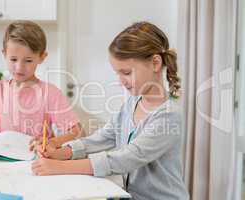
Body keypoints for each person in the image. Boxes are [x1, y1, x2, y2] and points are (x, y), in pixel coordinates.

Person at [31, 21, 189, 200]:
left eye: (127, 73)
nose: (121, 80)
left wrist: (60, 168)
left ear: (155, 63)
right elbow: (104, 137)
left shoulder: (168, 115)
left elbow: (127, 158)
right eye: (118, 73)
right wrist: (61, 152)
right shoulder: (132, 103)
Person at [0, 20, 82, 151]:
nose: (19, 67)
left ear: (41, 57)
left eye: (28, 60)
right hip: (3, 162)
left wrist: (52, 142)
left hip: (38, 161)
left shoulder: (51, 93)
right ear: (4, 54)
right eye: (13, 59)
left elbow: (77, 132)